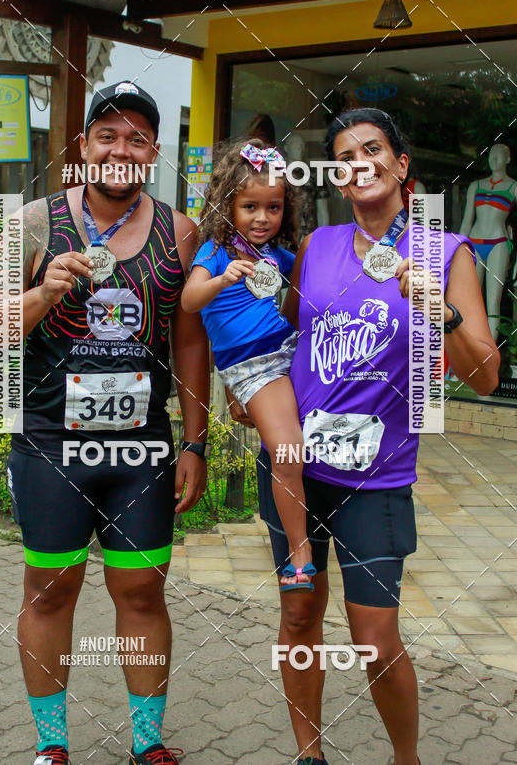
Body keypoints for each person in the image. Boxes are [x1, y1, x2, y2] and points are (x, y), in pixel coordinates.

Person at [232, 108, 499, 765]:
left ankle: (404, 758)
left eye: (373, 148)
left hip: (376, 480)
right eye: (346, 156)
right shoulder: (319, 244)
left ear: (402, 165)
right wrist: (253, 390)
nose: (361, 162)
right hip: (296, 467)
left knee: (375, 638)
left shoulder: (443, 251)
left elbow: (486, 375)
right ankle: (308, 754)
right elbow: (289, 325)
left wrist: (444, 311)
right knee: (298, 618)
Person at [0, 82, 210, 765]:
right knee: (51, 591)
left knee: (140, 589)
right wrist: (44, 291)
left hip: (141, 450)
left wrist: (194, 440)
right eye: (107, 134)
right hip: (51, 445)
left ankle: (147, 741)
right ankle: (52, 745)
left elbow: (188, 341)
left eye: (136, 137)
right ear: (83, 147)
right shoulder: (30, 223)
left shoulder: (179, 231)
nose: (120, 147)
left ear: (152, 152)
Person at [181, 139, 315, 589]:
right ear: (228, 206)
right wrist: (221, 279)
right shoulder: (215, 253)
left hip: (288, 350)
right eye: (251, 206)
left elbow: (312, 278)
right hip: (253, 366)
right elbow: (188, 301)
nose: (262, 218)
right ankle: (299, 550)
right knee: (287, 451)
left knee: (303, 444)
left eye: (273, 208)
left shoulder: (275, 255)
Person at [460, 142, 517, 342]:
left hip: (498, 244)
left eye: (500, 155)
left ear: (508, 159)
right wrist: (457, 250)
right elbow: (467, 222)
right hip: (474, 243)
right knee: (470, 302)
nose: (495, 158)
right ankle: (471, 353)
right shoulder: (476, 186)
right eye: (492, 154)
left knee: (493, 303)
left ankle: (489, 355)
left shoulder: (514, 186)